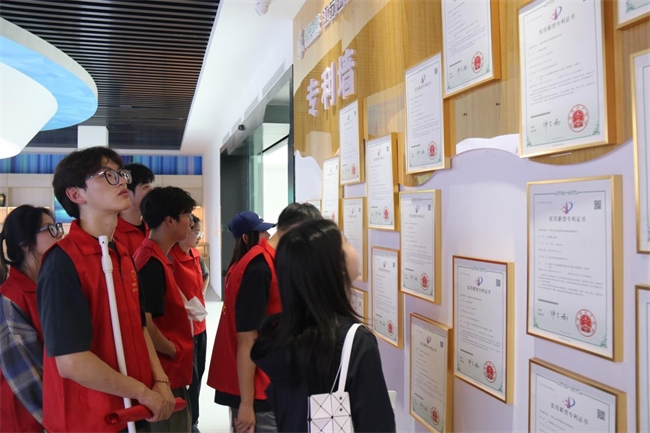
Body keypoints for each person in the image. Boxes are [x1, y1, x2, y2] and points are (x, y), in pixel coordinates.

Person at [37, 147, 175, 432]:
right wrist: (142, 391)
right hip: (93, 420)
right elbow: (71, 362)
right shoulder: (62, 262)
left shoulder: (121, 254)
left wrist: (160, 381)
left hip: (136, 408)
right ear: (76, 194)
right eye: (108, 175)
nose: (122, 180)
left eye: (121, 174)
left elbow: (139, 326)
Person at [251, 219, 395, 432]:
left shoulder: (279, 335)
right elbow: (377, 425)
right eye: (346, 241)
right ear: (336, 266)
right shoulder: (354, 342)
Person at [207, 204, 321, 433]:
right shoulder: (259, 267)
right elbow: (246, 339)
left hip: (271, 380)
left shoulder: (273, 261)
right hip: (258, 388)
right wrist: (246, 404)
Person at [134, 186, 196, 432]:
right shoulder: (150, 262)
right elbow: (146, 324)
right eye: (187, 216)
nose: (191, 223)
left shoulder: (156, 256)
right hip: (164, 372)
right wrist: (174, 351)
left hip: (170, 370)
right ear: (170, 220)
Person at [0, 205, 62, 432]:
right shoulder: (12, 297)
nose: (59, 235)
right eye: (50, 229)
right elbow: (27, 376)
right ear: (24, 244)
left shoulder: (46, 286)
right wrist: (58, 419)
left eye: (57, 228)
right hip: (28, 418)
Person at [169, 214, 207, 432]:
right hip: (183, 329)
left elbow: (204, 277)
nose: (199, 237)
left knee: (198, 374)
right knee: (188, 377)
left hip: (200, 326)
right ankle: (188, 421)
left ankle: (195, 419)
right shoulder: (170, 257)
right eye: (196, 232)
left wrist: (197, 303)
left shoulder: (196, 255)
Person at [114, 162, 155, 256]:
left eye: (150, 186)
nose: (151, 191)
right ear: (126, 192)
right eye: (145, 187)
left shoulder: (153, 228)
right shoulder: (114, 232)